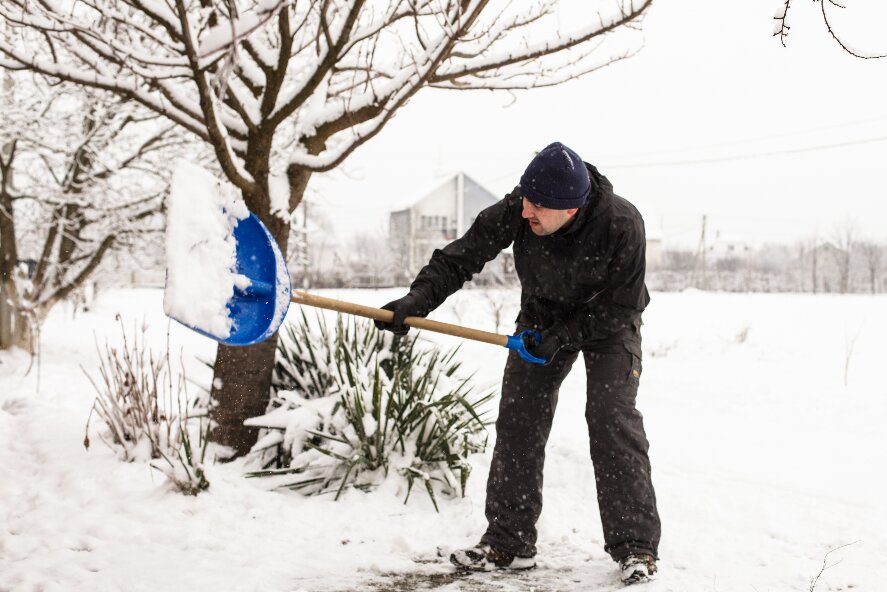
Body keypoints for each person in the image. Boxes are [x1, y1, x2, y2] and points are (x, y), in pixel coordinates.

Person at [374, 141, 661, 585]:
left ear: (571, 208)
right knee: (519, 421)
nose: (526, 212)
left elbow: (621, 307)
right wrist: (418, 299)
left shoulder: (622, 224)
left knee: (611, 417)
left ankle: (636, 547)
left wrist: (564, 336)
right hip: (540, 319)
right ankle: (508, 541)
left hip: (609, 326)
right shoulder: (521, 206)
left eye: (538, 207)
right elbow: (463, 255)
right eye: (525, 200)